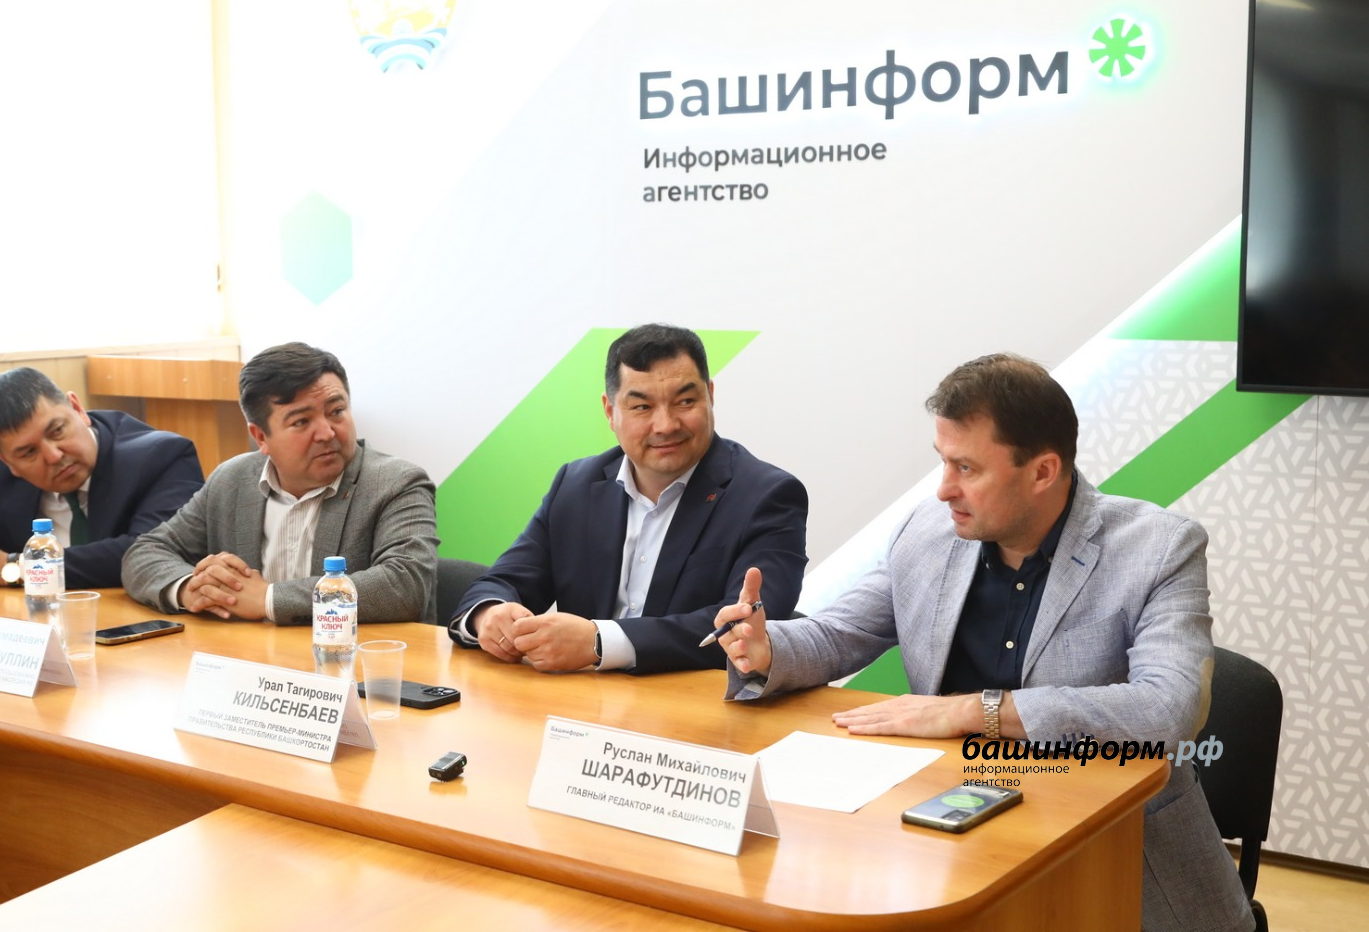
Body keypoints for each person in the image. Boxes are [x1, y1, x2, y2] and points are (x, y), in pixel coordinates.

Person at [712, 353, 1253, 932]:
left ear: (1042, 471)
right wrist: (768, 649)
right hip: (950, 839)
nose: (944, 489)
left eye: (966, 468)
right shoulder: (926, 532)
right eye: (943, 461)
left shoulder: (1159, 548)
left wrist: (976, 712)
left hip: (1117, 866)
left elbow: (1169, 709)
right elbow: (841, 632)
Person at [448, 323, 808, 674]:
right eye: (642, 407)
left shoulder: (768, 496)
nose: (666, 425)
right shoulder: (576, 484)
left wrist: (600, 642)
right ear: (610, 412)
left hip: (690, 703)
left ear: (710, 396)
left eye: (685, 401)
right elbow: (504, 580)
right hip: (580, 703)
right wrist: (489, 614)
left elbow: (749, 629)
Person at [121, 342, 437, 624]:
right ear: (261, 436)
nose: (327, 432)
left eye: (337, 411)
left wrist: (268, 599)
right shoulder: (231, 481)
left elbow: (405, 585)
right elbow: (146, 552)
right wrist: (190, 588)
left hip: (350, 663)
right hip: (251, 661)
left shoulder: (396, 482)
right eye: (302, 421)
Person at [0, 367, 204, 589]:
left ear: (78, 409)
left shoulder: (161, 457)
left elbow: (146, 553)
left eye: (57, 431)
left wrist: (13, 567)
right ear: (7, 462)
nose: (54, 456)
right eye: (28, 452)